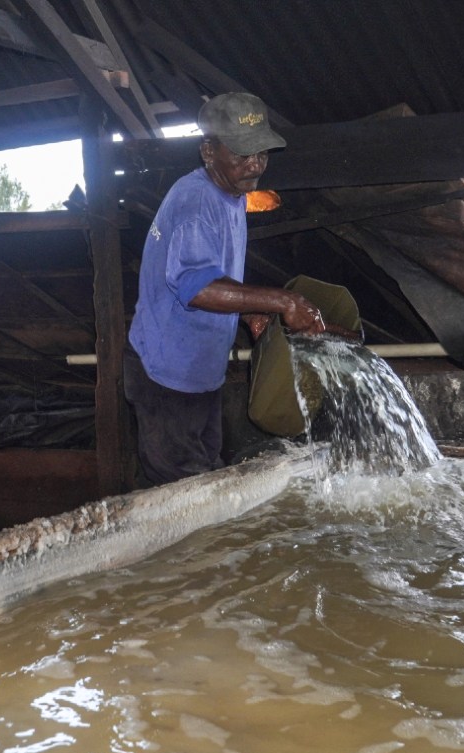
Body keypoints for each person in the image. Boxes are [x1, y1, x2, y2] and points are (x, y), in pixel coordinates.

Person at [124, 92, 327, 486]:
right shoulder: (197, 202)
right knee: (181, 496)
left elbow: (214, 272)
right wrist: (283, 301)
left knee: (207, 482)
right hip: (167, 376)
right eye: (241, 153)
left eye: (262, 153)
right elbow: (196, 288)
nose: (254, 164)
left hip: (199, 370)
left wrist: (249, 310)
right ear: (208, 151)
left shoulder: (230, 195)